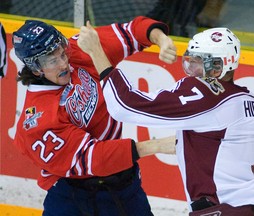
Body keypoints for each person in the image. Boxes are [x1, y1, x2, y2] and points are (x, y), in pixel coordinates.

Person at [77, 26, 254, 215]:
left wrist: (96, 51)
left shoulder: (208, 94)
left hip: (226, 209)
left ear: (216, 68)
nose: (191, 69)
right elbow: (221, 148)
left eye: (198, 63)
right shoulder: (248, 100)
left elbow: (124, 106)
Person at [12, 17, 176, 216]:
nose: (64, 63)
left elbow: (131, 32)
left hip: (122, 186)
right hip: (72, 198)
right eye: (53, 60)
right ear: (35, 68)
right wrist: (157, 146)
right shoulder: (37, 120)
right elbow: (94, 157)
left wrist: (161, 39)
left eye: (62, 53)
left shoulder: (77, 52)